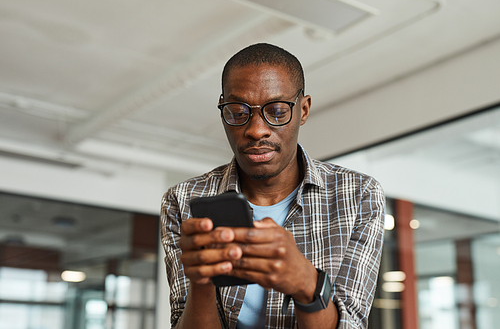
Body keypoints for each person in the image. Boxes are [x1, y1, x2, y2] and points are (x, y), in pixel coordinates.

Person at [161, 43, 385, 329]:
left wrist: (306, 282)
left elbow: (351, 324)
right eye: (238, 111)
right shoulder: (183, 200)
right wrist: (202, 280)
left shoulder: (358, 195)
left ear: (303, 110)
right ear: (222, 113)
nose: (256, 130)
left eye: (277, 111)